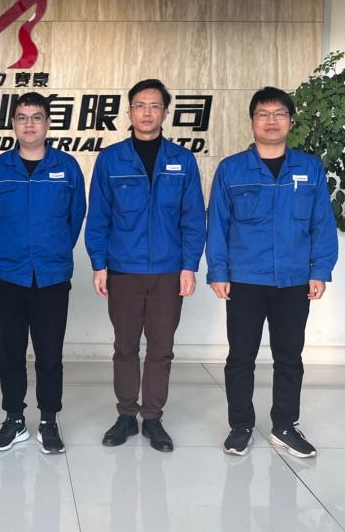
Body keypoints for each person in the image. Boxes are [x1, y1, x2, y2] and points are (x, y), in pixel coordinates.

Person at [207, 86, 338, 458]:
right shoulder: (231, 169)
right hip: (245, 279)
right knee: (241, 356)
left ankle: (285, 426)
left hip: (294, 280)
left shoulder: (309, 168)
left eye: (279, 113)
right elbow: (218, 225)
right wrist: (218, 271)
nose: (271, 121)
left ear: (290, 121)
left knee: (290, 356)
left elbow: (321, 223)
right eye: (263, 114)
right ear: (252, 121)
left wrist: (320, 270)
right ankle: (241, 426)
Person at [85, 79, 206, 452]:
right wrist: (99, 264)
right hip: (124, 269)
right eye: (140, 105)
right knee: (124, 346)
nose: (147, 112)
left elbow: (193, 218)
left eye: (155, 105)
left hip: (168, 271)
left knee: (161, 348)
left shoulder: (183, 161)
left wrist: (189, 266)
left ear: (165, 112)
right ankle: (126, 415)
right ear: (130, 111)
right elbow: (98, 217)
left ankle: (152, 417)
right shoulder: (111, 160)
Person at [0, 91, 86, 454]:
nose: (29, 124)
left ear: (48, 123)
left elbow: (75, 218)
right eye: (22, 117)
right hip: (9, 277)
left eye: (36, 117)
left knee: (50, 355)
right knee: (10, 353)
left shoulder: (67, 168)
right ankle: (14, 420)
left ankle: (48, 421)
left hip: (52, 278)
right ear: (13, 123)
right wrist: (12, 250)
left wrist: (53, 251)